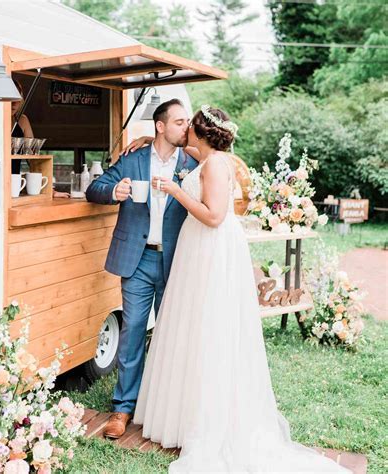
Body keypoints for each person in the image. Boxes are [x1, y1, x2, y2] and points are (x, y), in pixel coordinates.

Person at [132, 105, 351, 473]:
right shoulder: (205, 155)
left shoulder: (217, 164)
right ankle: (182, 414)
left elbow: (215, 217)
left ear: (201, 133)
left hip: (210, 247)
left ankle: (208, 421)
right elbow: (181, 149)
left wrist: (174, 191)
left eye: (189, 125)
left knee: (209, 329)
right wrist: (144, 139)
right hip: (196, 247)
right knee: (191, 327)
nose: (183, 130)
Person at [85, 99, 198, 438]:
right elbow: (95, 189)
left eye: (187, 122)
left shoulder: (193, 163)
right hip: (137, 259)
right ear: (160, 126)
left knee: (171, 335)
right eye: (179, 122)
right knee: (133, 330)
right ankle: (123, 409)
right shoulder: (132, 160)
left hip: (177, 260)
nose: (186, 127)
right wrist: (113, 191)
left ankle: (167, 408)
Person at [11, 79, 70, 198]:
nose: (14, 103)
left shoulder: (22, 121)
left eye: (17, 98)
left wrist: (49, 190)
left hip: (15, 184)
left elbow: (34, 159)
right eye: (11, 97)